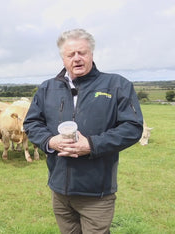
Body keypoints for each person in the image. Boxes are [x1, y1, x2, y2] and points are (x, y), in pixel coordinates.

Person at [23, 29, 144, 233]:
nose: (77, 59)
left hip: (96, 194)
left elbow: (132, 128)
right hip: (60, 191)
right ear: (63, 58)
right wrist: (50, 141)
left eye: (82, 53)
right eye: (71, 54)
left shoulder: (116, 85)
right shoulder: (47, 88)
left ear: (92, 54)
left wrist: (92, 145)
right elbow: (32, 123)